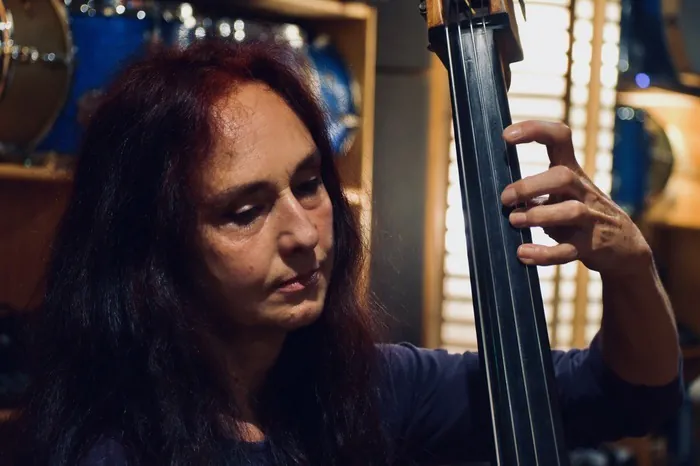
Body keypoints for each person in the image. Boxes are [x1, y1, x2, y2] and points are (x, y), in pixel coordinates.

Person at [3, 39, 682, 466]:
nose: (301, 233)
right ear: (150, 248)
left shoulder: (371, 388)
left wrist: (631, 269)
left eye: (308, 185)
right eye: (244, 212)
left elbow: (627, 396)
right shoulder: (104, 446)